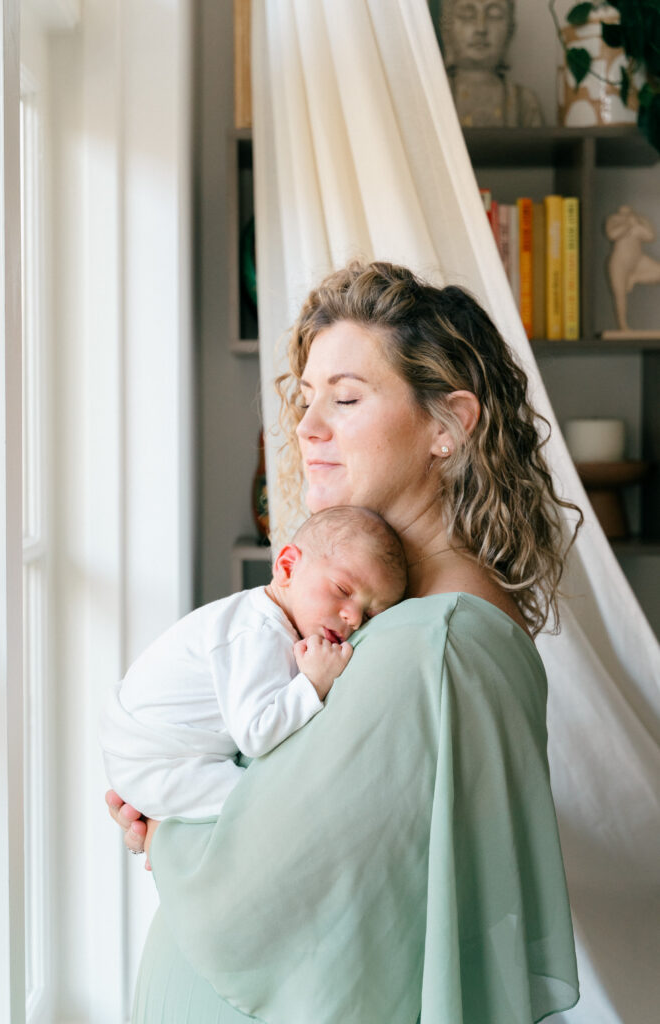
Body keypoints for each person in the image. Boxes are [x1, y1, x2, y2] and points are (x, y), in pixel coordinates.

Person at [108, 260, 581, 1023]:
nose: (306, 427)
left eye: (346, 399)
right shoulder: (402, 617)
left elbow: (264, 881)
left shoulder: (434, 640)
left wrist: (167, 827)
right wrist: (177, 778)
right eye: (305, 400)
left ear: (447, 426)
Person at [100, 505, 407, 823]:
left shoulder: (270, 622)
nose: (353, 618)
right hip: (156, 760)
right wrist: (314, 683)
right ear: (287, 568)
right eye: (343, 590)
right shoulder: (258, 632)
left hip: (155, 752)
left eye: (370, 614)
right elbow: (256, 733)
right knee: (268, 803)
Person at [440, 0, 544, 127]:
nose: (481, 28)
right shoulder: (434, 98)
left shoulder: (524, 102)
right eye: (467, 15)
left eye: (494, 15)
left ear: (510, 31)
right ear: (447, 30)